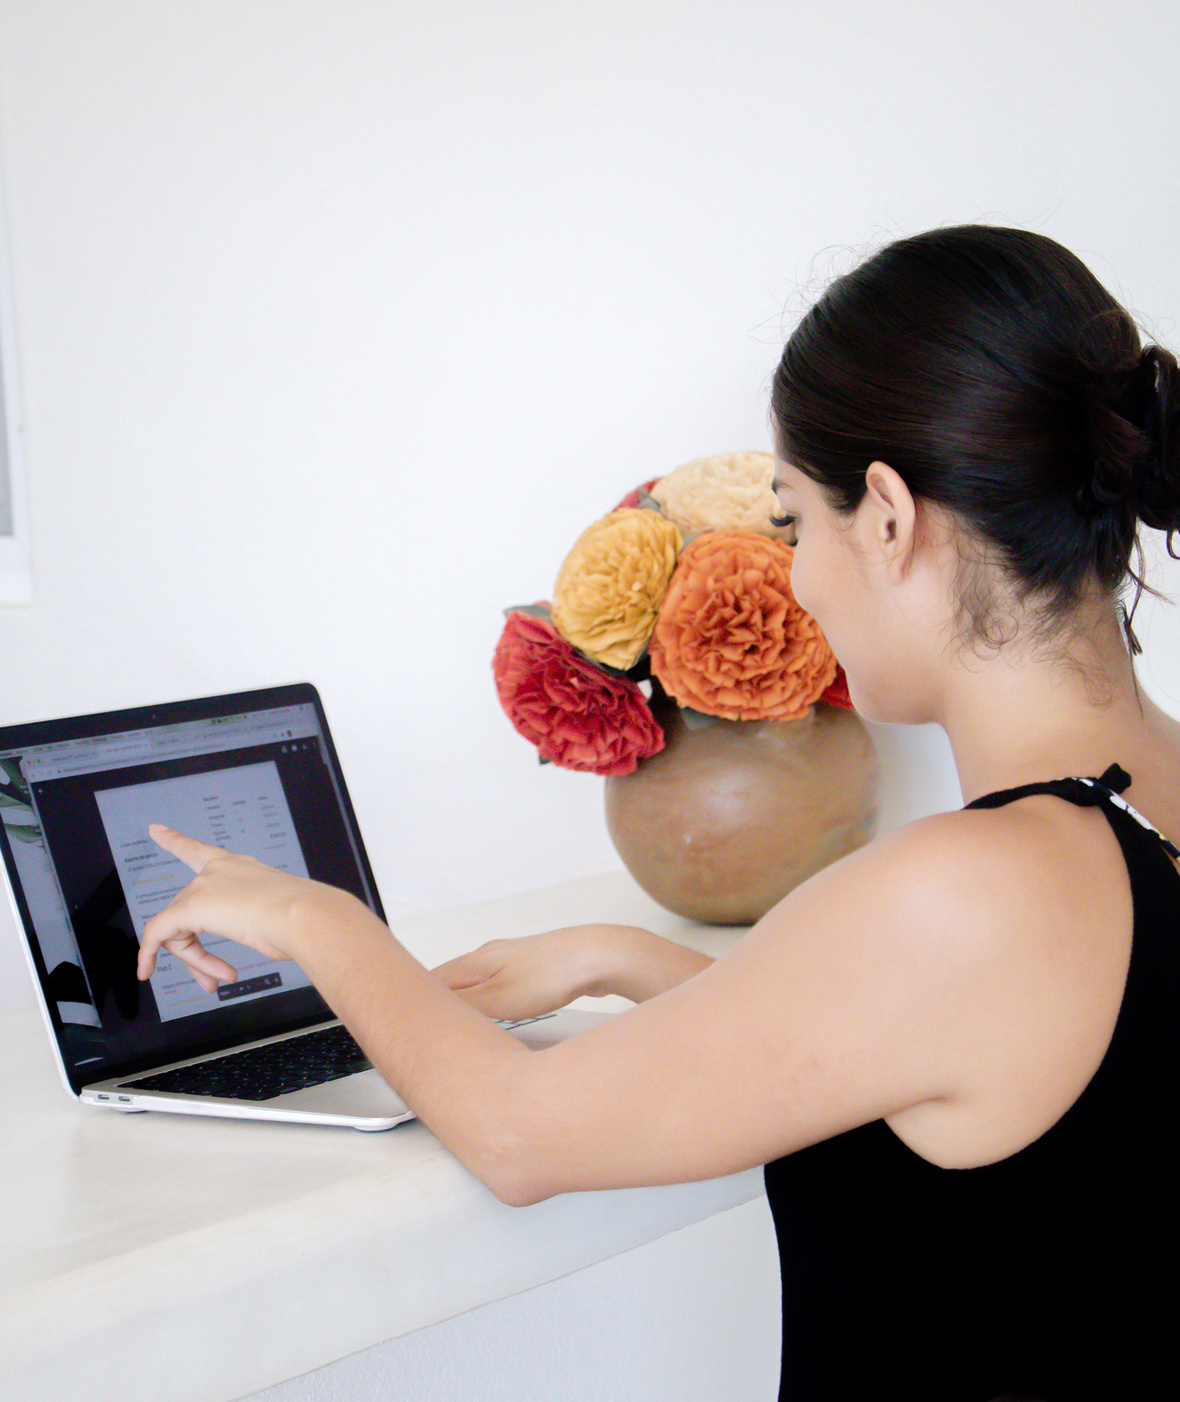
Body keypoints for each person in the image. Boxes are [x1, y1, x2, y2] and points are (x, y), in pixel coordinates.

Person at [137, 225, 1180, 1402]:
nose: (797, 575)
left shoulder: (971, 888)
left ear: (887, 516)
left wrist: (316, 922)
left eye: (795, 521)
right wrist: (622, 957)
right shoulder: (1123, 831)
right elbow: (962, 1057)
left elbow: (518, 1134)